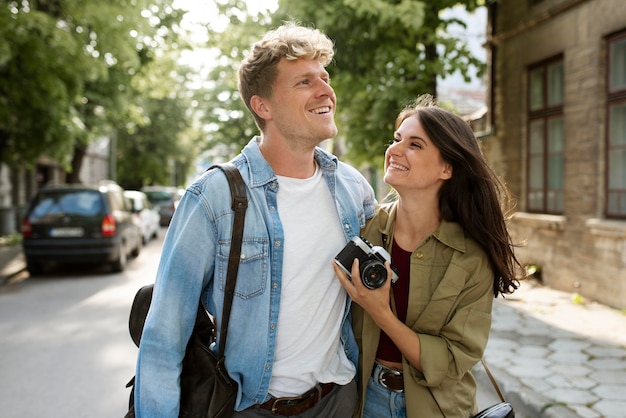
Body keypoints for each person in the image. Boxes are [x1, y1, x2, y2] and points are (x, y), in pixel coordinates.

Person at [133, 22, 377, 417]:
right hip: (250, 408)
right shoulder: (213, 197)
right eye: (303, 82)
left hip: (339, 401)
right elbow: (163, 338)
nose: (325, 90)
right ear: (262, 105)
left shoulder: (353, 189)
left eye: (325, 77)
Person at [333, 95, 524, 418]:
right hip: (361, 401)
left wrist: (381, 313)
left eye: (415, 145)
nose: (394, 150)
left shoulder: (471, 257)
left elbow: (452, 361)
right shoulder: (364, 228)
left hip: (439, 408)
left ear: (447, 168)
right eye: (396, 140)